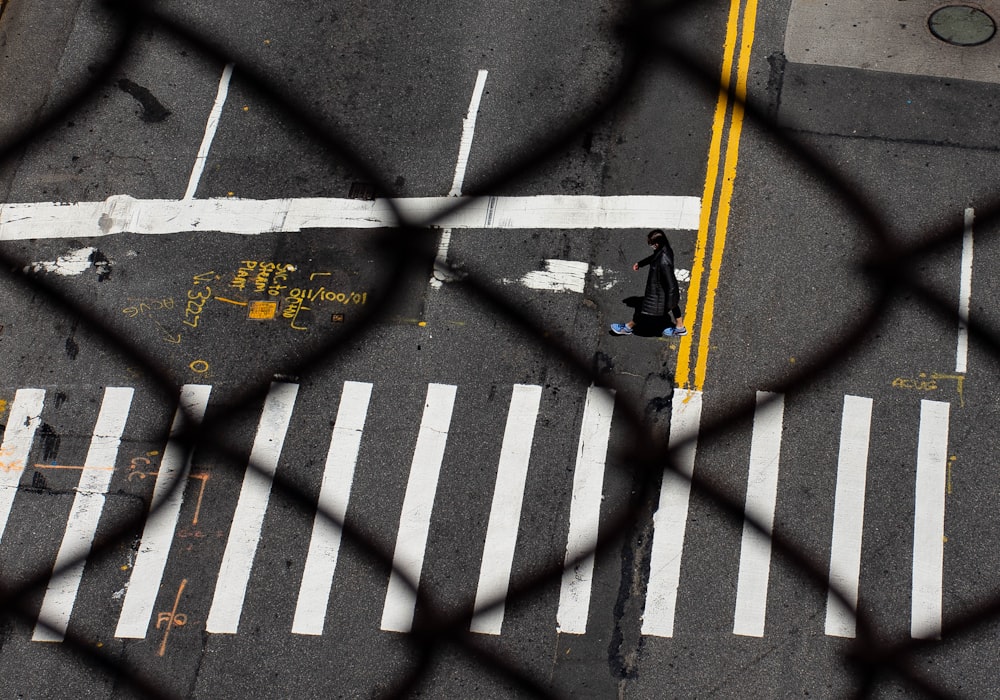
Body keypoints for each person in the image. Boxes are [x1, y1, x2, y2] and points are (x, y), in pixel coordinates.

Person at [610, 229, 687, 337]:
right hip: (660, 289)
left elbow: (671, 284)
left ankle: (628, 327)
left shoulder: (663, 261)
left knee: (644, 310)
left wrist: (671, 301)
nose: (651, 246)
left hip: (658, 291)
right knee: (670, 305)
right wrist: (641, 263)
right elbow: (654, 257)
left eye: (651, 244)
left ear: (657, 243)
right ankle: (680, 327)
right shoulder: (665, 249)